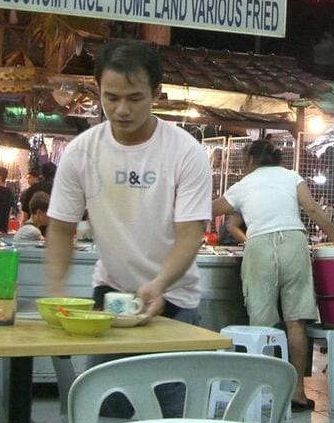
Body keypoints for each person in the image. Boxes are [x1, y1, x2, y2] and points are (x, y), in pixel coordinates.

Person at [46, 39, 212, 323]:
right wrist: (56, 288)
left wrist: (160, 283)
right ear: (98, 89)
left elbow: (190, 236)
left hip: (173, 297)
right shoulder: (81, 152)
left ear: (156, 93)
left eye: (134, 98)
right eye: (111, 98)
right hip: (110, 292)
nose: (122, 110)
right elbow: (61, 228)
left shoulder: (186, 152)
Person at [212, 139, 334, 412]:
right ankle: (297, 392)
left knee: (261, 323)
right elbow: (312, 209)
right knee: (296, 322)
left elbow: (209, 209)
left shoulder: (243, 184)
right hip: (294, 244)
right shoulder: (291, 177)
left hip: (260, 246)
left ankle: (261, 390)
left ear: (251, 159)